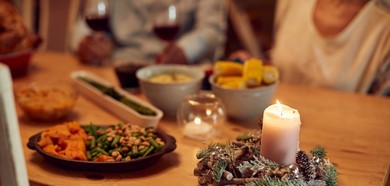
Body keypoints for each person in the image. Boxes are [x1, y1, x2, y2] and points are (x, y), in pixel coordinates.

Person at [230, 0, 390, 96]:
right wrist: (256, 67)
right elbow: (285, 69)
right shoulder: (293, 3)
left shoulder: (383, 28)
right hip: (278, 134)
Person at [71, 0, 228, 66]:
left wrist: (186, 50)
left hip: (177, 75)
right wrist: (84, 43)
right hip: (119, 68)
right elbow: (86, 21)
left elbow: (212, 30)